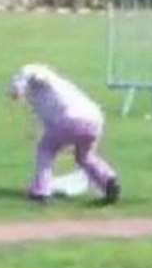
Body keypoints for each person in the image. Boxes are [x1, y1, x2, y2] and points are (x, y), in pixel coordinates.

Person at [9, 63, 120, 204]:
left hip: (70, 118)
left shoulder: (35, 75)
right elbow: (47, 123)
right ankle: (108, 181)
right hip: (94, 119)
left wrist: (18, 89)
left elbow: (29, 73)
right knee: (85, 156)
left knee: (45, 150)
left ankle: (41, 191)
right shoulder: (57, 89)